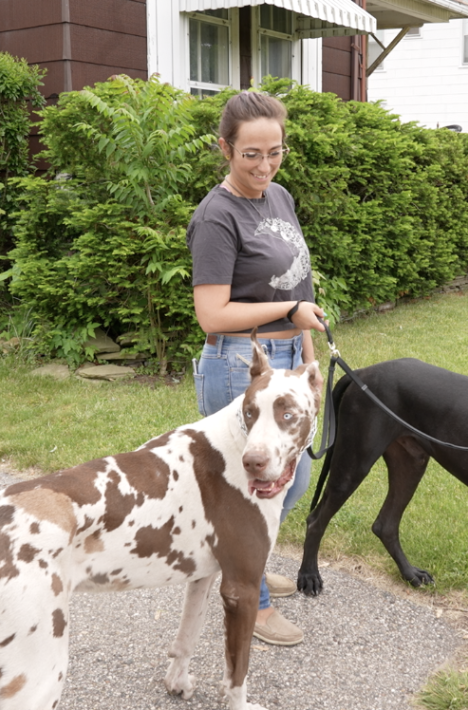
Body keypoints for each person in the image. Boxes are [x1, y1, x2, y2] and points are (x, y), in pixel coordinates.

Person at [186, 91, 326, 646]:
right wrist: (287, 312)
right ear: (225, 149)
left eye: (275, 152)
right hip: (239, 365)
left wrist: (309, 363)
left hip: (291, 362)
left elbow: (301, 282)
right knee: (247, 491)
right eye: (251, 155)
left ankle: (251, 562)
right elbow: (211, 314)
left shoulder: (280, 198)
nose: (264, 166)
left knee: (291, 483)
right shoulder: (216, 216)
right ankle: (254, 601)